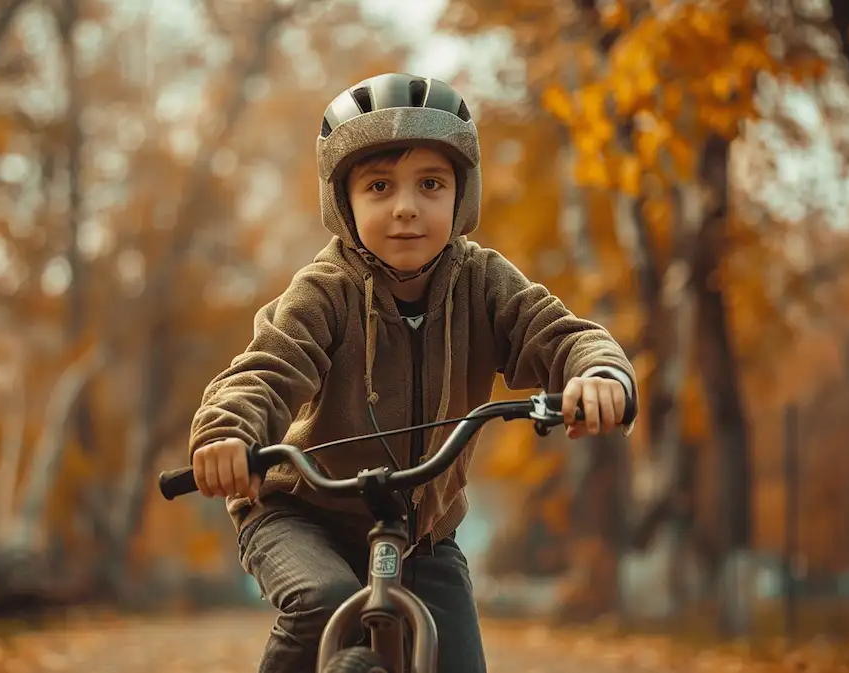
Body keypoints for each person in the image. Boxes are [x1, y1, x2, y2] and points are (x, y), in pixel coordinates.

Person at [186, 73, 638, 673]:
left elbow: (563, 335)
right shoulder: (326, 292)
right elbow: (266, 369)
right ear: (344, 203)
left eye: (431, 184)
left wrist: (599, 373)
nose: (406, 207)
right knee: (324, 601)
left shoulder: (483, 282)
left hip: (422, 533)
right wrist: (227, 432)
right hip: (300, 513)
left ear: (462, 196)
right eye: (379, 186)